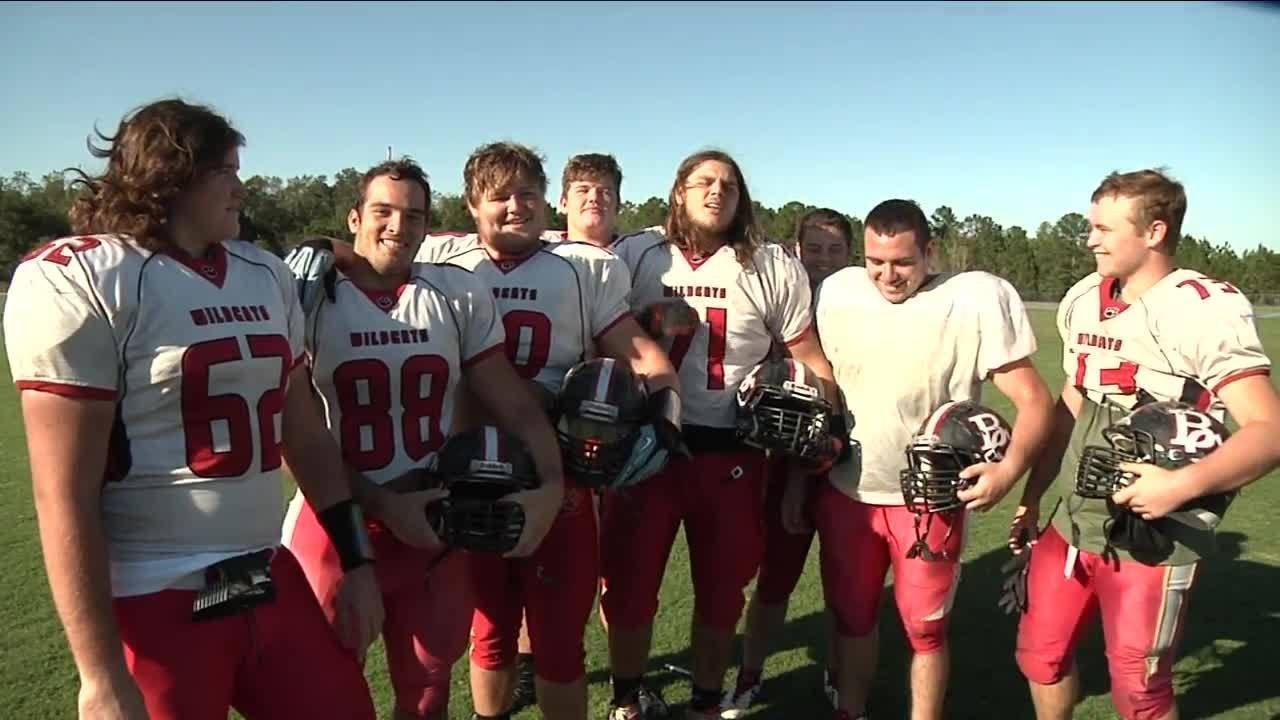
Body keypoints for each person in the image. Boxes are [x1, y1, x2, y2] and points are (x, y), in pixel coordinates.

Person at [2, 98, 384, 720]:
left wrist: (356, 560)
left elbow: (306, 435)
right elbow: (63, 491)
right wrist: (99, 675)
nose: (240, 188)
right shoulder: (85, 276)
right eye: (224, 171)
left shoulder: (264, 272)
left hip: (264, 574)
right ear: (170, 176)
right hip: (153, 595)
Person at [280, 158, 565, 720]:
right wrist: (386, 505)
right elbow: (293, 439)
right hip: (335, 527)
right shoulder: (307, 297)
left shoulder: (454, 292)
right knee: (324, 695)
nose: (398, 226)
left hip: (435, 525)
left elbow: (511, 400)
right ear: (354, 218)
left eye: (414, 215)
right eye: (383, 211)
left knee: (428, 691)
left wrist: (551, 486)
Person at [415, 142, 680, 720]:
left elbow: (644, 357)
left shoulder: (585, 267)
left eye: (527, 193)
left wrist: (664, 416)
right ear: (472, 204)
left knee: (560, 640)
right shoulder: (441, 264)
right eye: (500, 196)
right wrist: (328, 250)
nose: (516, 206)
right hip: (467, 476)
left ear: (544, 198)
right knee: (490, 633)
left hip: (557, 477)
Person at [1010, 169, 1280, 720]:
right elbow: (1074, 402)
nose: (1090, 240)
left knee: (1140, 688)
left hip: (1156, 531)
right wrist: (1035, 495)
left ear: (1154, 232)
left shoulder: (1200, 306)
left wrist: (1180, 485)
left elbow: (1269, 429)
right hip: (1074, 518)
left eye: (1104, 229)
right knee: (1040, 656)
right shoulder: (1083, 297)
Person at [602, 150, 841, 720]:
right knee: (630, 590)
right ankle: (627, 699)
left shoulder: (770, 265)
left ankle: (706, 702)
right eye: (704, 182)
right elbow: (597, 335)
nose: (717, 192)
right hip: (650, 449)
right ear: (679, 191)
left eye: (729, 185)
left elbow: (811, 358)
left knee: (720, 595)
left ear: (741, 199)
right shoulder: (636, 253)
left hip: (734, 454)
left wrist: (827, 418)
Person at [804, 199, 1054, 720]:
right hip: (849, 491)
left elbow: (1034, 399)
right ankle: (850, 710)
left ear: (930, 252)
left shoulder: (972, 298)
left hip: (929, 498)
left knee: (925, 629)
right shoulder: (840, 291)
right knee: (852, 618)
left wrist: (1008, 472)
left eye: (902, 262)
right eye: (875, 261)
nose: (887, 275)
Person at [722, 208, 854, 717]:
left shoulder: (862, 306)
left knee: (846, 586)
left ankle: (841, 676)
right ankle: (750, 676)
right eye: (813, 248)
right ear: (797, 251)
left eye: (835, 249)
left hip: (849, 464)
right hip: (785, 462)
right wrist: (797, 476)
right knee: (775, 580)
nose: (823, 259)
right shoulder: (784, 301)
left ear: (850, 254)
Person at [514, 150, 629, 711]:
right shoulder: (535, 251)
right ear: (561, 200)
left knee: (610, 561)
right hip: (544, 429)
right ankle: (528, 660)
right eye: (583, 189)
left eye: (605, 190)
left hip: (612, 426)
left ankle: (620, 670)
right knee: (537, 550)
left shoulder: (634, 255)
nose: (594, 198)